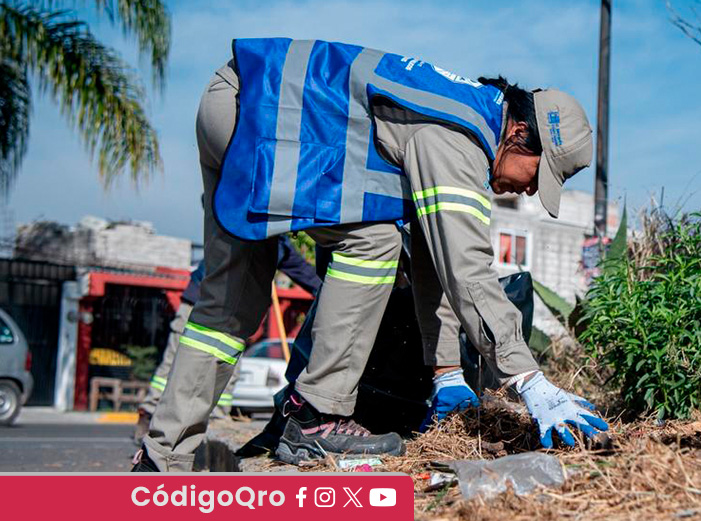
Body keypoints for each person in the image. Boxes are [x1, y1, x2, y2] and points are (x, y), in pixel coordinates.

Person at [134, 38, 606, 471]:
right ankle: (316, 415)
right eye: (537, 175)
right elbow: (467, 268)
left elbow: (433, 258)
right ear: (519, 132)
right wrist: (527, 378)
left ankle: (160, 457)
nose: (527, 191)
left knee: (228, 303)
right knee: (374, 241)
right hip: (276, 118)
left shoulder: (456, 112)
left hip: (234, 101)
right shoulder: (460, 138)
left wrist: (445, 371)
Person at [133, 237, 321, 443]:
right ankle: (150, 412)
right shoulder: (241, 226)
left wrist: (326, 292)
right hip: (201, 302)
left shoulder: (280, 245)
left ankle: (216, 419)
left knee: (228, 368)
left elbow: (306, 274)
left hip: (232, 313)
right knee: (175, 360)